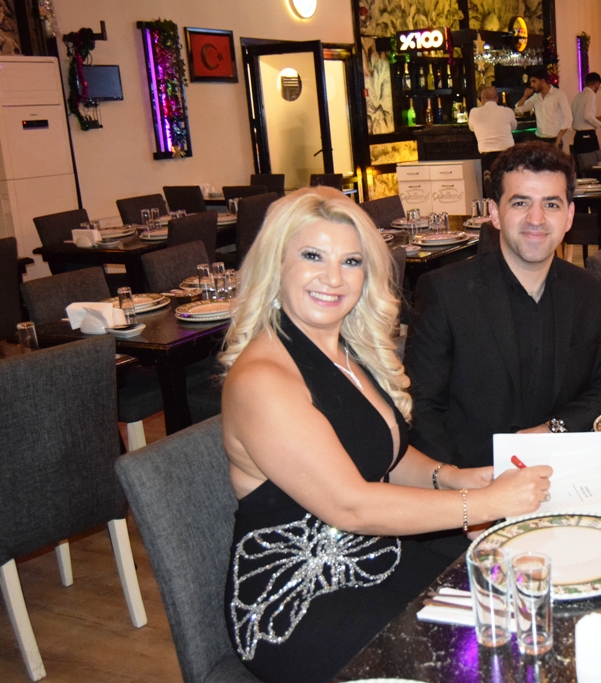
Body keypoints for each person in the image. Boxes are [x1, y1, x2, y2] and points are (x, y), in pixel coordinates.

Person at [218, 187, 551, 683]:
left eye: (351, 261)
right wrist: (483, 504)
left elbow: (382, 455)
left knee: (513, 601)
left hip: (371, 556)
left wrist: (452, 477)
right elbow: (350, 505)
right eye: (312, 256)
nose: (334, 278)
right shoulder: (262, 380)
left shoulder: (344, 349)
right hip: (297, 600)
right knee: (477, 653)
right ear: (276, 264)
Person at [404, 142, 601, 470]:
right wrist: (463, 484)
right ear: (495, 213)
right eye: (520, 202)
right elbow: (421, 409)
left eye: (551, 204)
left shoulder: (586, 289)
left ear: (569, 216)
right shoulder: (445, 293)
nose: (536, 219)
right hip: (475, 479)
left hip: (565, 473)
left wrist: (554, 429)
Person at [515, 68, 572, 149]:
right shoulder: (536, 97)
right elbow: (519, 109)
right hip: (539, 139)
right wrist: (525, 96)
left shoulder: (559, 94)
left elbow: (568, 118)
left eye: (534, 81)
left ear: (542, 81)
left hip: (554, 139)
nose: (531, 85)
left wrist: (559, 138)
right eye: (531, 82)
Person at [469, 85, 518, 173]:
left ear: (482, 99)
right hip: (507, 153)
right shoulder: (507, 111)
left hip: (487, 154)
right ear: (497, 99)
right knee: (505, 178)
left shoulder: (474, 113)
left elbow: (471, 128)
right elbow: (514, 127)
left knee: (489, 176)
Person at [571, 72, 601, 155]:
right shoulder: (591, 94)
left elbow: (577, 116)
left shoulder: (577, 96)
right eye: (599, 86)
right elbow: (587, 115)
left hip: (578, 136)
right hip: (588, 136)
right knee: (593, 161)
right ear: (597, 84)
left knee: (580, 162)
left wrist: (597, 119)